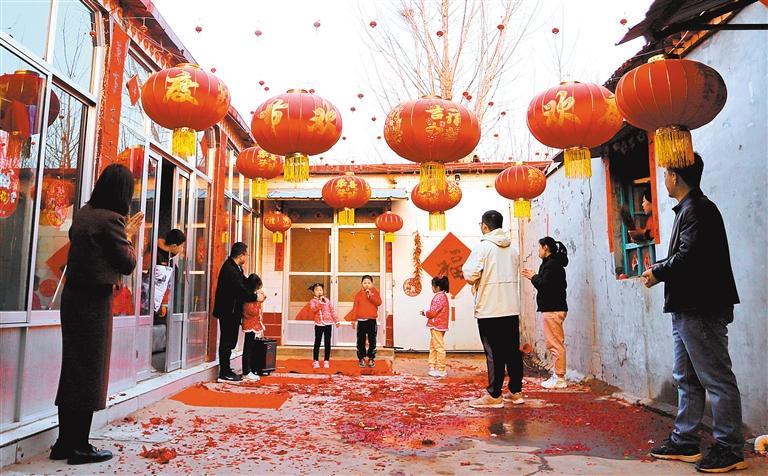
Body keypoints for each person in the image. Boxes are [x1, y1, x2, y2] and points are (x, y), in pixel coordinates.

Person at [641, 153, 745, 473]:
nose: (663, 179)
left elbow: (689, 258)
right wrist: (660, 271)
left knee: (716, 378)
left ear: (675, 176)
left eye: (666, 173)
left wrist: (658, 272)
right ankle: (685, 439)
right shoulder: (689, 209)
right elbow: (687, 256)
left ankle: (730, 447)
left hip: (701, 307)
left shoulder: (699, 209)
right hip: (687, 308)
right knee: (686, 378)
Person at [51, 164, 142, 465]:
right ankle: (79, 445)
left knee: (73, 369)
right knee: (90, 371)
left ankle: (64, 443)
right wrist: (130, 235)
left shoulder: (85, 213)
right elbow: (127, 262)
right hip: (93, 300)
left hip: (74, 298)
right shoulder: (111, 220)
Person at [461, 210, 524, 409]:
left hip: (490, 308)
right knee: (512, 352)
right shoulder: (513, 249)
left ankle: (494, 394)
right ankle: (516, 391)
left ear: (485, 226)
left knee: (494, 353)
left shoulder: (483, 247)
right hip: (511, 307)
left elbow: (470, 274)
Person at [521, 237, 569, 389]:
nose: (538, 251)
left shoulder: (551, 265)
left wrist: (533, 277)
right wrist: (535, 276)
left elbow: (544, 285)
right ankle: (557, 375)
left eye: (539, 248)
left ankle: (559, 377)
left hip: (553, 309)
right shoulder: (552, 264)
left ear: (546, 248)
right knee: (554, 343)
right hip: (553, 308)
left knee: (555, 344)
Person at [213, 242, 258, 382]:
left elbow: (244, 283)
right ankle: (224, 372)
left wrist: (255, 286)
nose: (247, 257)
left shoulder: (236, 268)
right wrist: (255, 297)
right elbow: (240, 289)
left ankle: (226, 369)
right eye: (246, 254)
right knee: (227, 341)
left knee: (231, 340)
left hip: (232, 310)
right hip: (227, 311)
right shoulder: (230, 269)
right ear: (241, 255)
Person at [346, 275, 382, 368]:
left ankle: (371, 358)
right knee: (360, 340)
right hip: (361, 321)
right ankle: (361, 358)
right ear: (362, 284)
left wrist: (370, 296)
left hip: (371, 320)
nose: (366, 284)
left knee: (372, 340)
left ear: (372, 284)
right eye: (365, 283)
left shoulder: (375, 292)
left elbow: (379, 302)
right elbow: (355, 307)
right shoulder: (358, 294)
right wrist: (353, 319)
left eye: (368, 283)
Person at [421, 276, 450, 378]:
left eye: (432, 286)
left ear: (437, 287)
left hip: (436, 325)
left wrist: (425, 312)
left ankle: (441, 369)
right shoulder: (443, 296)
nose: (432, 288)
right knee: (434, 346)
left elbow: (432, 313)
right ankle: (432, 366)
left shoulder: (439, 297)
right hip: (440, 325)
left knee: (438, 347)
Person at [241, 273, 266, 382]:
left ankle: (249, 369)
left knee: (250, 348)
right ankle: (246, 371)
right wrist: (258, 301)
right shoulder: (249, 297)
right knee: (248, 348)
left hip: (252, 324)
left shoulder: (250, 295)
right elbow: (251, 312)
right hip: (250, 325)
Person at [308, 283, 339, 369]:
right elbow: (313, 310)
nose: (319, 292)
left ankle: (326, 360)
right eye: (317, 290)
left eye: (320, 290)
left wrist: (336, 320)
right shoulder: (312, 301)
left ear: (323, 291)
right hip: (319, 324)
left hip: (328, 323)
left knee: (327, 342)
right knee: (317, 342)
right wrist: (319, 303)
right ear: (314, 292)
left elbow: (332, 311)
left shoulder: (327, 301)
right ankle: (315, 361)